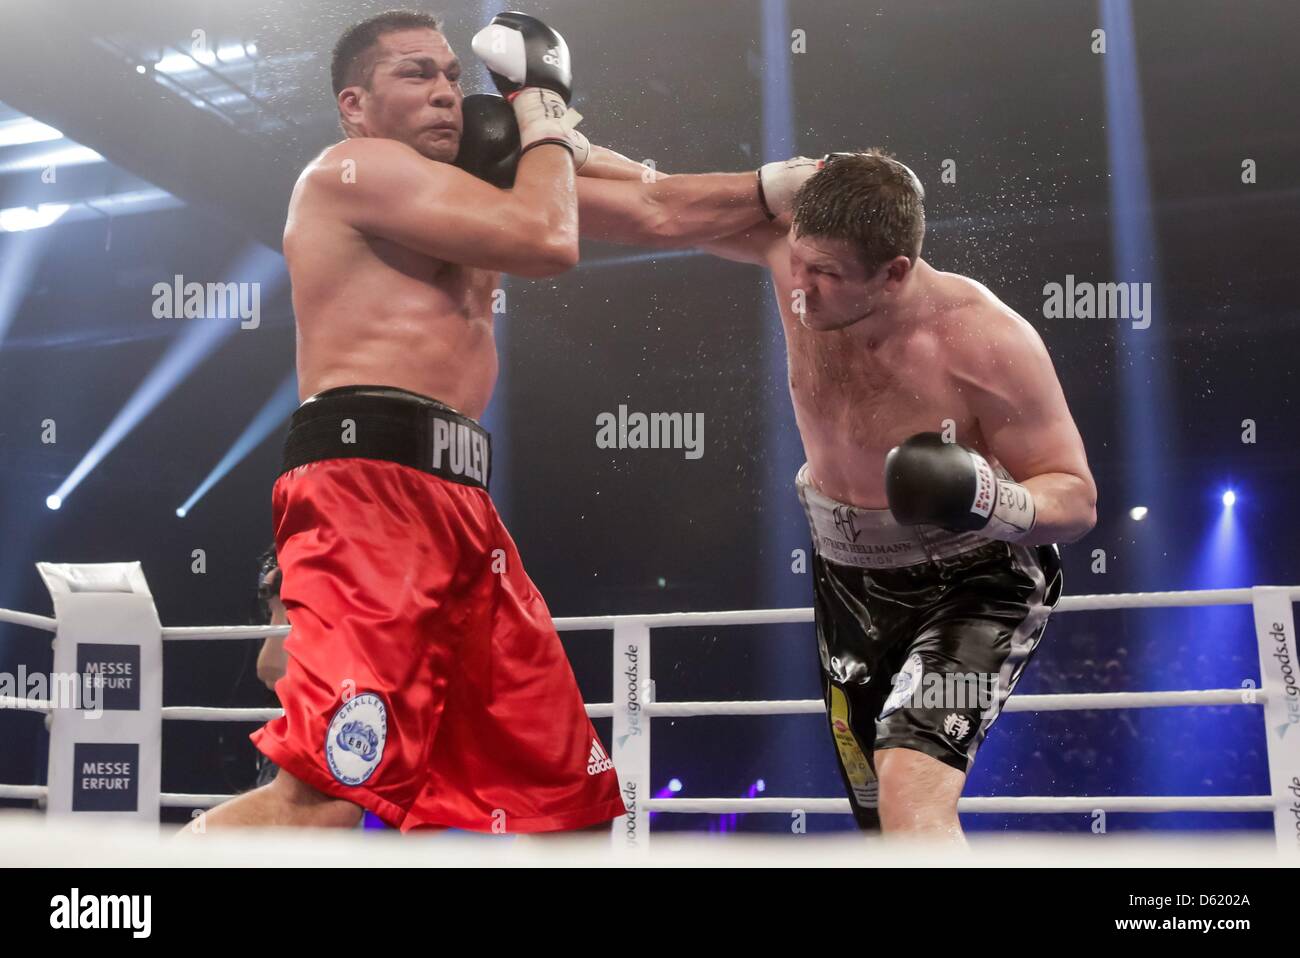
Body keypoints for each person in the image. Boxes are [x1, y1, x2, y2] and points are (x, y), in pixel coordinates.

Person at [193, 10, 695, 834]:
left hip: (461, 510)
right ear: (354, 104)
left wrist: (768, 193)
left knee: (567, 807)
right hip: (366, 493)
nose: (446, 93)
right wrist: (542, 113)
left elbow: (654, 207)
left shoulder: (481, 184)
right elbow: (548, 236)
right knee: (323, 799)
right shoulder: (349, 170)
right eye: (416, 74)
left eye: (454, 76)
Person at [574, 148, 1097, 841]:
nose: (802, 287)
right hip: (849, 577)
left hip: (974, 582)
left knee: (913, 787)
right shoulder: (795, 255)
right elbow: (659, 200)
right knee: (882, 816)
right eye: (799, 262)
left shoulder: (985, 341)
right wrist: (558, 147)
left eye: (827, 275)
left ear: (895, 272)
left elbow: (1076, 498)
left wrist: (990, 498)